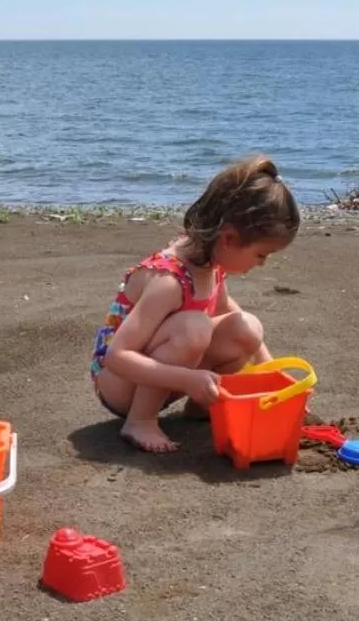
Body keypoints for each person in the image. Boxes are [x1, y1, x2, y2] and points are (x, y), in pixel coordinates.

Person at [90, 156, 299, 453]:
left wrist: (272, 374)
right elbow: (117, 356)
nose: (262, 265)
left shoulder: (212, 261)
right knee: (193, 327)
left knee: (246, 326)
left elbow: (229, 314)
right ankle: (140, 420)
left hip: (165, 373)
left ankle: (203, 406)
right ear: (228, 238)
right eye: (261, 255)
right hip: (120, 384)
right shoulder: (169, 281)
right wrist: (187, 379)